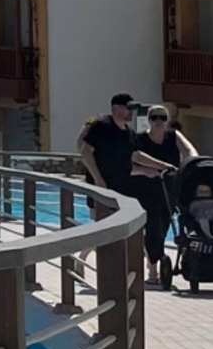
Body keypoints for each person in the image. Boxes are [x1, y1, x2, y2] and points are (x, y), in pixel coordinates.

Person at [78, 94, 154, 277]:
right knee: (104, 229)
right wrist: (98, 179)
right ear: (116, 108)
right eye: (129, 108)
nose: (131, 112)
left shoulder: (129, 133)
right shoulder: (101, 126)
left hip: (124, 190)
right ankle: (82, 260)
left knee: (125, 229)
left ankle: (150, 268)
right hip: (101, 191)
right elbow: (85, 152)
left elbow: (131, 160)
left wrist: (154, 168)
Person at [127, 104, 198, 286]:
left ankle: (154, 261)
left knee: (164, 225)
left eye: (162, 117)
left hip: (168, 189)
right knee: (153, 227)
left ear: (167, 121)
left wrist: (190, 164)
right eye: (154, 117)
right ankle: (153, 269)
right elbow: (134, 157)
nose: (158, 121)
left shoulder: (173, 136)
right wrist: (158, 167)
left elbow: (190, 151)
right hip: (145, 189)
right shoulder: (139, 138)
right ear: (149, 120)